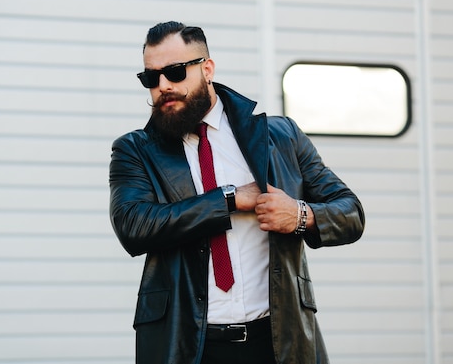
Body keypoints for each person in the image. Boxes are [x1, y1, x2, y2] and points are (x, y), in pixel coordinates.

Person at [109, 21, 365, 364]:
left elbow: (351, 213)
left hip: (277, 341)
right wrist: (227, 200)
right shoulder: (136, 150)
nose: (163, 86)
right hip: (189, 346)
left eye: (174, 72)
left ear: (207, 68)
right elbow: (133, 225)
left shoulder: (280, 137)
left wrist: (300, 216)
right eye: (151, 78)